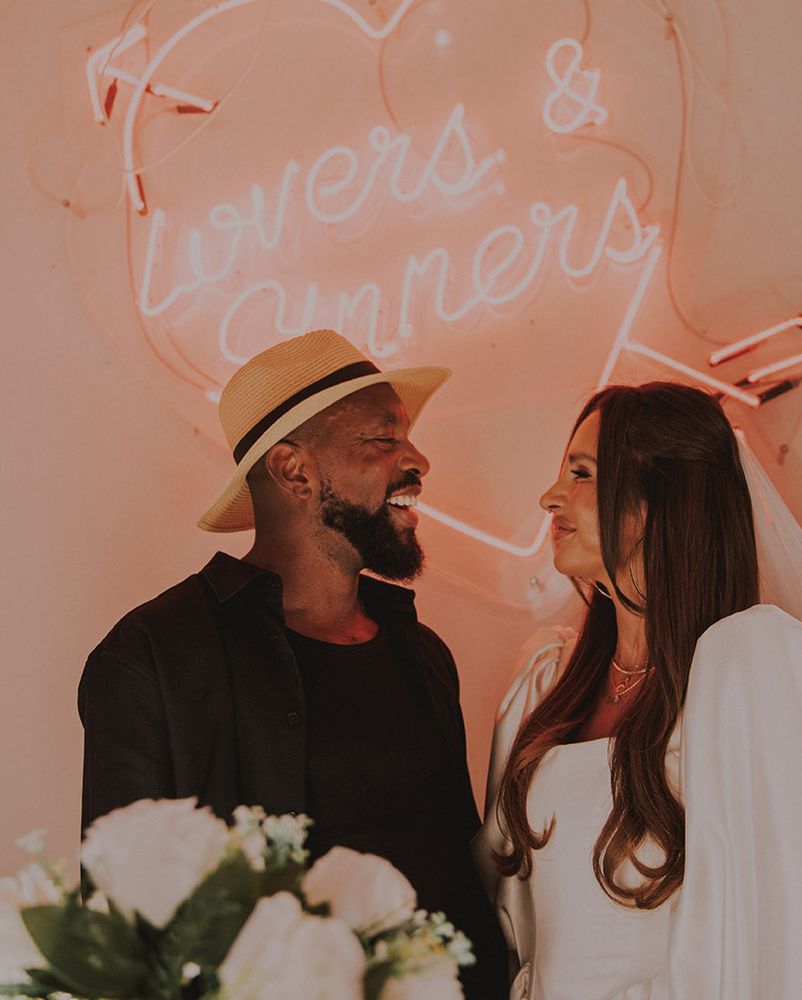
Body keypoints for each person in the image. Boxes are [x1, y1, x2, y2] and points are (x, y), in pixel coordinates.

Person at [474, 381, 802, 999]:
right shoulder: (548, 684)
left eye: (582, 474)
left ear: (656, 501)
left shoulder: (763, 678)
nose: (550, 497)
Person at [79, 328, 508, 998]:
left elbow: (464, 876)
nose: (418, 458)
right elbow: (122, 936)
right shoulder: (155, 658)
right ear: (294, 470)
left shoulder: (422, 654)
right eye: (383, 438)